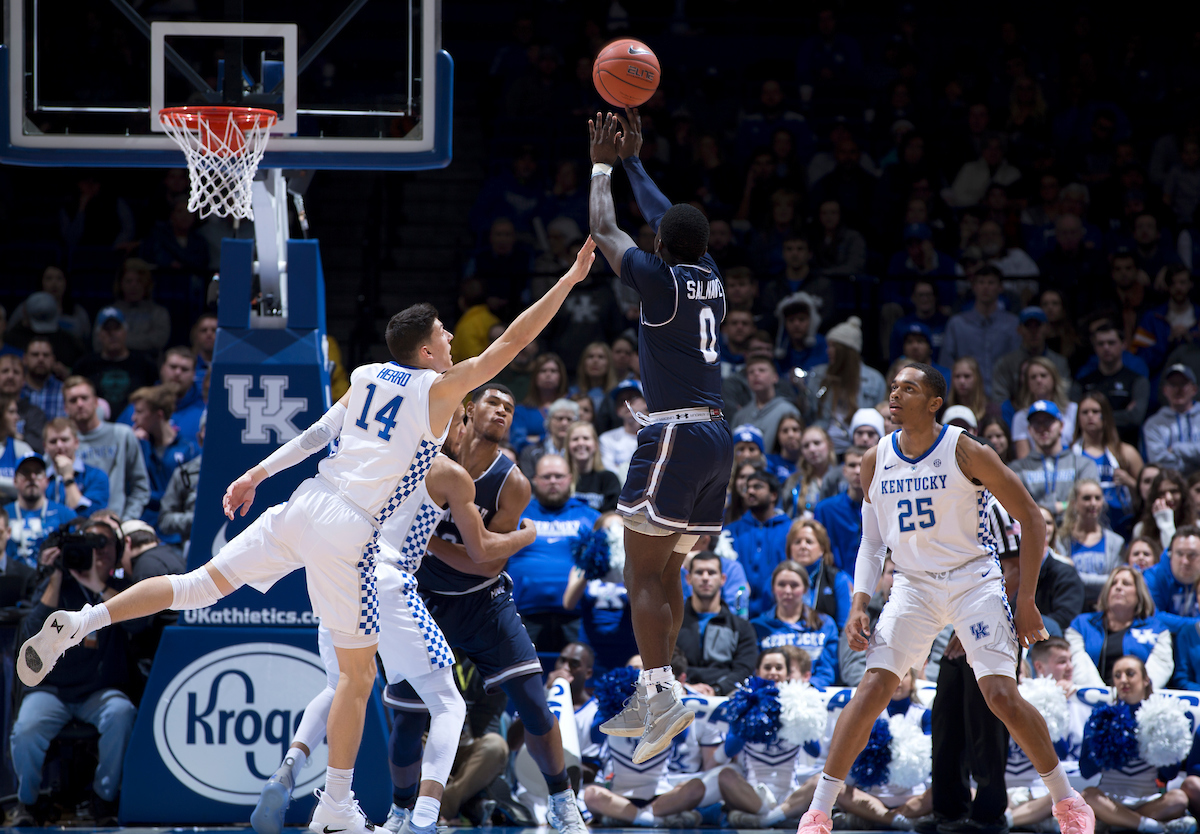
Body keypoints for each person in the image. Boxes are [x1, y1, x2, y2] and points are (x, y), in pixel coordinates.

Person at [17, 241, 598, 834]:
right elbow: (514, 341)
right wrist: (571, 278)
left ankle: (84, 621)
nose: (453, 340)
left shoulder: (369, 374)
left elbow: (317, 433)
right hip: (352, 533)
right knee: (355, 676)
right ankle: (337, 803)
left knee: (196, 587)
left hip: (303, 503)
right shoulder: (435, 390)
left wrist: (255, 474)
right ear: (427, 351)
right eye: (446, 334)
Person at [793, 361, 1096, 834]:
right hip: (913, 584)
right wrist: (858, 602)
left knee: (1000, 696)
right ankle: (820, 809)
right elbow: (872, 542)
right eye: (893, 387)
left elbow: (1032, 519)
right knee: (873, 687)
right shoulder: (875, 459)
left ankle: (1066, 800)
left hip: (973, 579)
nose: (894, 395)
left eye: (907, 389)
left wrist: (1028, 599)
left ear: (934, 402)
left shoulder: (965, 451)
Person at [251, 405, 537, 834]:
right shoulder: (446, 472)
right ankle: (423, 816)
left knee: (337, 685)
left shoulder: (370, 451)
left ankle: (288, 769)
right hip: (387, 580)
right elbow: (480, 553)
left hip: (336, 571)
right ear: (451, 423)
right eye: (460, 420)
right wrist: (527, 535)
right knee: (448, 703)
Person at [588, 107, 735, 762]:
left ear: (661, 244)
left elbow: (604, 227)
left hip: (674, 436)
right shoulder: (710, 276)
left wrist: (600, 163)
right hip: (717, 440)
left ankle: (657, 696)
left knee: (639, 570)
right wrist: (636, 162)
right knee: (669, 567)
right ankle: (664, 685)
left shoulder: (656, 278)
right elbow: (666, 219)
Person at [385, 382, 590, 834]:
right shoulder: (426, 459)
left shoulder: (512, 482)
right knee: (406, 719)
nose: (502, 411)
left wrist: (428, 539)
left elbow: (485, 564)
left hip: (484, 603)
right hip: (422, 603)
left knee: (534, 705)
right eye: (494, 402)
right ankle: (401, 813)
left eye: (511, 408)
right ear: (469, 410)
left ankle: (562, 802)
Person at [9, 519, 139, 826]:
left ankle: (103, 799)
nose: (96, 549)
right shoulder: (57, 584)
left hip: (97, 690)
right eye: (89, 542)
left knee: (121, 713)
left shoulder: (118, 591)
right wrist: (57, 575)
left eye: (104, 542)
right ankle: (26, 803)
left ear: (117, 550)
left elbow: (138, 625)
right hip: (51, 690)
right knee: (26, 728)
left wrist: (97, 586)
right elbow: (30, 635)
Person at [1079, 656, 1196, 834]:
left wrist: (1163, 746)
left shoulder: (1163, 718)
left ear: (1146, 679)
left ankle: (1118, 823)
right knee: (1088, 795)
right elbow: (1086, 772)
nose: (1123, 680)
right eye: (1117, 676)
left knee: (1178, 799)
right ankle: (1151, 826)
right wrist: (1104, 744)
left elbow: (1169, 774)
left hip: (1147, 800)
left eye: (1130, 674)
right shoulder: (1102, 718)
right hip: (1109, 800)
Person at [507, 453, 600, 653]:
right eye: (546, 477)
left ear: (570, 479)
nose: (553, 482)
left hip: (579, 615)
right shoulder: (516, 514)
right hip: (522, 614)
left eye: (559, 476)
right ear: (534, 480)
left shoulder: (590, 517)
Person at [1065, 566, 1172, 688]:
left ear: (1139, 593)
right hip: (1090, 698)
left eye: (1126, 584)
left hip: (1139, 700)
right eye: (1113, 583)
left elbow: (1160, 667)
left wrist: (1132, 693)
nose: (1118, 587)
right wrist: (1102, 695)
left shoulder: (1157, 629)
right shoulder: (1081, 625)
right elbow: (1077, 664)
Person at [64, 376, 150, 522]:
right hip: (76, 526)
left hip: (116, 523)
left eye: (84, 398)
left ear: (96, 402)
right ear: (65, 408)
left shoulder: (122, 435)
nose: (79, 404)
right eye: (73, 400)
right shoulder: (62, 443)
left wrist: (125, 521)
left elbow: (140, 487)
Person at [675, 551, 758, 695]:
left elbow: (744, 670)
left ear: (723, 579)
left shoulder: (742, 628)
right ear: (688, 578)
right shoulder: (672, 624)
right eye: (699, 572)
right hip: (678, 696)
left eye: (711, 572)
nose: (705, 578)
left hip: (725, 700)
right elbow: (663, 665)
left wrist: (716, 690)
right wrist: (683, 687)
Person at [805, 317, 887, 454]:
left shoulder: (874, 380)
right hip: (825, 450)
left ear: (846, 352)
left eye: (833, 346)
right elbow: (810, 415)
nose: (828, 351)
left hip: (860, 449)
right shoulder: (818, 375)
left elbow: (878, 419)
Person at [750, 560, 839, 686]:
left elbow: (828, 670)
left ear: (805, 589)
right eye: (781, 584)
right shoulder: (757, 626)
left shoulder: (825, 624)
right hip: (769, 695)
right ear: (773, 589)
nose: (787, 590)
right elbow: (755, 669)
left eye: (794, 585)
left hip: (813, 694)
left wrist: (806, 689)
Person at [1009, 401, 1100, 519]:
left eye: (1048, 422)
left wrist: (1039, 507)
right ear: (1029, 430)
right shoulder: (1016, 469)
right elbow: (1014, 507)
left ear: (1061, 426)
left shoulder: (1083, 465)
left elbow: (1089, 503)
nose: (1042, 429)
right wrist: (1061, 506)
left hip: (1074, 531)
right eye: (1037, 423)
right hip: (1035, 532)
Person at [128, 385, 199, 533]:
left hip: (176, 531)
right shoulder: (140, 446)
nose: (133, 418)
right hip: (144, 525)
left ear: (158, 415)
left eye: (140, 412)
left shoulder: (189, 449)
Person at [939, 267, 1021, 392]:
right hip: (966, 396)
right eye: (981, 282)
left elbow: (1018, 363)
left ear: (1000, 287)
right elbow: (946, 365)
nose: (985, 287)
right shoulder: (957, 324)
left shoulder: (1013, 324)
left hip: (1004, 396)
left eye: (991, 282)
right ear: (974, 287)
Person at [1073, 392, 1143, 536]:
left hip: (1121, 522)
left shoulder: (1125, 452)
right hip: (1082, 522)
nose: (1090, 416)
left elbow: (1149, 489)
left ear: (1106, 416)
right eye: (1085, 412)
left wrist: (1129, 481)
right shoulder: (1070, 454)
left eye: (1096, 411)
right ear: (1078, 418)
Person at [1072, 322, 1150, 446]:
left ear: (1123, 344)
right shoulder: (1082, 383)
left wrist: (1092, 417)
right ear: (1094, 347)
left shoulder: (1137, 381)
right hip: (1089, 449)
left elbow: (1135, 417)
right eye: (1101, 344)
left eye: (1111, 342)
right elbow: (1074, 417)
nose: (1106, 347)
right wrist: (1123, 414)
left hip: (1126, 447)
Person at [728, 468, 791, 618]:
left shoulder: (790, 529)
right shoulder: (731, 531)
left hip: (779, 611)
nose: (750, 491)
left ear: (773, 495)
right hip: (739, 612)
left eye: (757, 487)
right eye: (747, 487)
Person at [72, 307, 158, 417]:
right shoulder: (84, 365)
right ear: (99, 335)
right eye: (107, 329)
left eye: (117, 328)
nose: (112, 334)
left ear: (125, 331)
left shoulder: (145, 364)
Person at [116, 347, 206, 444]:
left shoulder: (204, 413)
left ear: (194, 374)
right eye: (173, 367)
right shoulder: (137, 409)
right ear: (162, 368)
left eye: (184, 369)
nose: (177, 373)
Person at [1057, 480, 1126, 602]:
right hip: (1071, 603)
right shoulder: (1061, 540)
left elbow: (1115, 580)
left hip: (1105, 605)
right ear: (1074, 503)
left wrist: (1077, 577)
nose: (1093, 503)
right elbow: (1063, 578)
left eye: (1097, 498)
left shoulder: (1116, 542)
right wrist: (1104, 580)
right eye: (1086, 498)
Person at [5, 454, 75, 568]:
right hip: (12, 581)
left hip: (52, 579)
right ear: (15, 481)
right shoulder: (4, 515)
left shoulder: (65, 515)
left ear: (46, 480)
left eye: (38, 472)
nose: (32, 477)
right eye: (25, 472)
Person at [991, 307, 1072, 405]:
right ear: (1019, 330)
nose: (1033, 331)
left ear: (1046, 328)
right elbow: (1000, 398)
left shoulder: (1059, 362)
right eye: (1028, 326)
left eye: (1037, 326)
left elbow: (1065, 394)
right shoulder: (1006, 363)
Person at [785, 518, 853, 633]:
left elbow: (844, 628)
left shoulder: (838, 579)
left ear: (822, 548)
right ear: (790, 549)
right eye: (797, 542)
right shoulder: (778, 579)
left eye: (809, 542)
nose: (803, 546)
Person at [813, 446, 867, 572]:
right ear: (844, 471)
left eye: (862, 465)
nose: (858, 471)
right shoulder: (825, 510)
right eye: (852, 465)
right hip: (835, 583)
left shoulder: (883, 507)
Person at [733, 356, 802, 455]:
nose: (756, 374)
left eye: (762, 370)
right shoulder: (741, 415)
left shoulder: (788, 411)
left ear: (775, 377)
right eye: (751, 372)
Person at [1009, 358, 1077, 458]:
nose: (1039, 380)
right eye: (1033, 377)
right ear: (1027, 383)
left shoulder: (1073, 410)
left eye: (1043, 375)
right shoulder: (1020, 417)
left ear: (1054, 378)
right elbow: (1023, 460)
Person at [42, 417, 109, 515]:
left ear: (76, 443)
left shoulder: (96, 476)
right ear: (45, 447)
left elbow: (92, 515)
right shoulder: (41, 480)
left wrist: (68, 477)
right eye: (53, 441)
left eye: (64, 440)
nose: (59, 445)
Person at [1141, 525, 1200, 633]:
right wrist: (1196, 624)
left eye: (1192, 555)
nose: (1185, 561)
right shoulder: (1153, 576)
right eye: (1179, 554)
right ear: (1170, 554)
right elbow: (1153, 616)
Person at [1144, 364, 1200, 474]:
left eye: (1183, 384)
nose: (1178, 389)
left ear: (1194, 389)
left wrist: (1176, 449)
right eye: (1173, 384)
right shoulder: (1153, 423)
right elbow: (1158, 462)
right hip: (1171, 487)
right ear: (1164, 390)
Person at [510, 353, 569, 454]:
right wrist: (550, 438)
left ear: (561, 376)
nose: (548, 375)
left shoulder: (570, 406)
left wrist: (536, 438)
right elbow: (518, 443)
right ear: (535, 376)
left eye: (553, 371)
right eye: (543, 371)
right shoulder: (522, 410)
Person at [782, 426, 837, 519]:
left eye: (817, 443)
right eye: (806, 446)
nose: (812, 449)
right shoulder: (794, 481)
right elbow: (786, 516)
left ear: (829, 444)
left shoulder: (842, 478)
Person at [565, 420, 620, 512]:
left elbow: (612, 515)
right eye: (575, 439)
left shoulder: (609, 479)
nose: (581, 443)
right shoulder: (560, 479)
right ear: (568, 446)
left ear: (595, 445)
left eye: (586, 438)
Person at [1133, 469, 1194, 552]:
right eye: (1162, 493)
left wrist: (1167, 524)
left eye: (1174, 491)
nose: (1169, 498)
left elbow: (1176, 556)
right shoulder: (1140, 529)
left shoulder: (1197, 526)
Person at [517, 397, 578, 478]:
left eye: (569, 419)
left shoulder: (580, 453)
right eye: (559, 418)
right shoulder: (530, 453)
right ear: (548, 421)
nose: (564, 423)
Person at [0, 353, 47, 455]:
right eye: (5, 371)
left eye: (16, 372)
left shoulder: (35, 413)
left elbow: (37, 448)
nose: (10, 376)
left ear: (23, 380)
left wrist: (12, 434)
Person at [21, 336, 65, 421]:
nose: (41, 359)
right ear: (25, 359)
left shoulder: (64, 391)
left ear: (53, 360)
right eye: (35, 354)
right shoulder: (16, 390)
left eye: (46, 355)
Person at [946, 357, 995, 429]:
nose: (962, 381)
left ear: (977, 378)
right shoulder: (944, 409)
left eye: (967, 376)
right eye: (957, 376)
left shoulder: (991, 410)